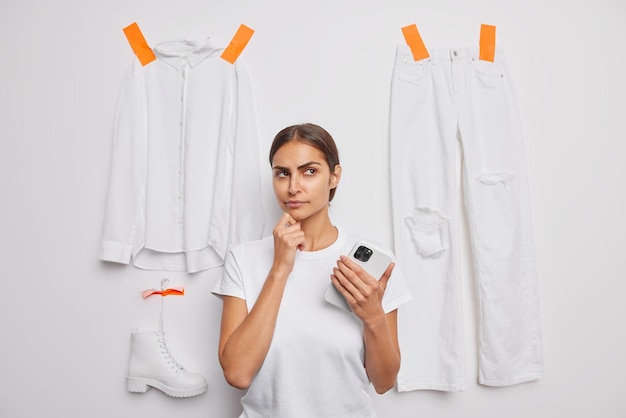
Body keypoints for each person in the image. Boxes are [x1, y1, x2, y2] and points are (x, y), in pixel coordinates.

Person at [212, 123, 411, 417]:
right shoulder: (243, 259)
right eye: (282, 173)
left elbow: (383, 382)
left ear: (334, 176)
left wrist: (372, 315)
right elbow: (237, 373)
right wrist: (279, 268)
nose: (293, 187)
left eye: (309, 171)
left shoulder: (372, 263)